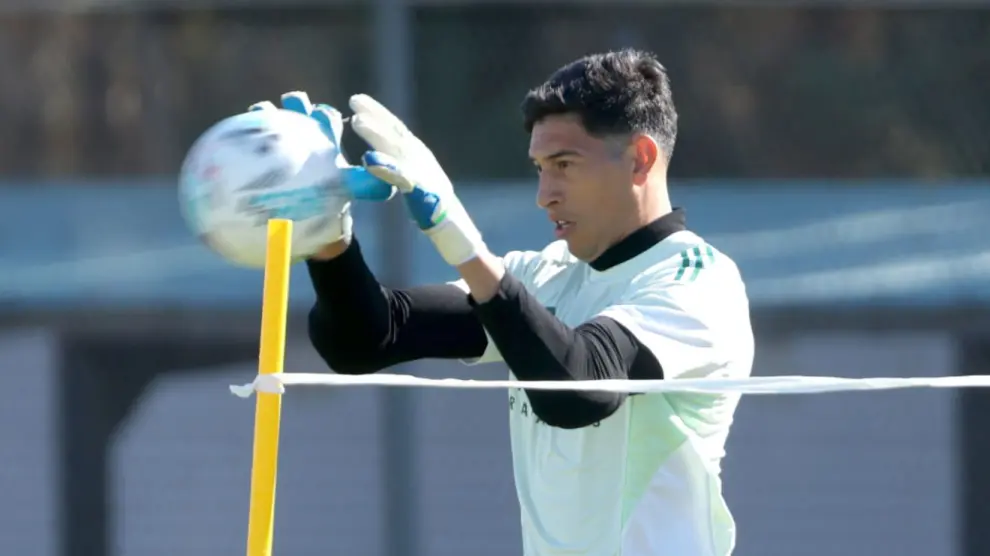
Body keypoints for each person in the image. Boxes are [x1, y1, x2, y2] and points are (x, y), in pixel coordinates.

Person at [259, 48, 754, 556]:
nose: (545, 194)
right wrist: (328, 239)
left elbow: (579, 390)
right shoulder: (543, 274)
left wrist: (462, 242)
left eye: (564, 164)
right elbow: (368, 338)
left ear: (640, 159)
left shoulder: (697, 279)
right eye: (539, 168)